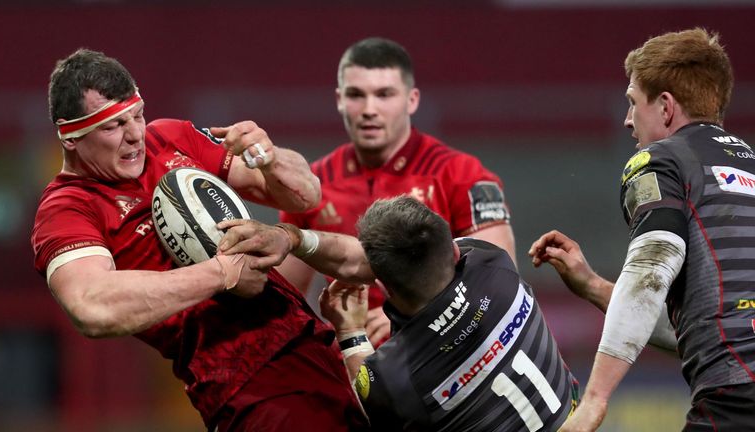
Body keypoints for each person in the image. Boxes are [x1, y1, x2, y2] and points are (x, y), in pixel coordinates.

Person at [31, 49, 367, 432]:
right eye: (113, 126)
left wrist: (268, 158)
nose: (135, 135)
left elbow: (306, 195)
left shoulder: (170, 137)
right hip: (248, 386)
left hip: (315, 347)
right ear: (70, 135)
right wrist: (222, 272)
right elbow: (92, 305)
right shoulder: (66, 209)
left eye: (138, 114)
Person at [528, 28, 755, 431]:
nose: (628, 120)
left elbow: (651, 267)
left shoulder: (661, 160)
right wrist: (594, 286)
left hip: (737, 397)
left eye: (633, 103)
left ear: (666, 107)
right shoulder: (748, 163)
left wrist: (594, 400)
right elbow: (706, 326)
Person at [220, 196, 578, 431]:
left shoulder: (395, 378)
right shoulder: (490, 262)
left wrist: (350, 332)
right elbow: (364, 260)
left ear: (383, 286)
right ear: (453, 253)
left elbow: (365, 391)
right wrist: (295, 239)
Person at [278, 37, 516, 346]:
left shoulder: (461, 175)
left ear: (412, 99)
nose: (369, 109)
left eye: (384, 94)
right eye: (356, 95)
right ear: (338, 99)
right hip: (353, 361)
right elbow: (282, 298)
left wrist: (411, 319)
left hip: (447, 359)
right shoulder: (310, 185)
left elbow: (501, 284)